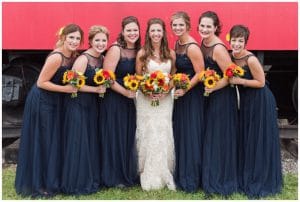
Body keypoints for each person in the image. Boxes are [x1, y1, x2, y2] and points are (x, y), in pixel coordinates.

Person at [15, 24, 83, 197]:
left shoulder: (72, 55)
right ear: (63, 38)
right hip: (42, 100)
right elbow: (41, 83)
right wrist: (66, 90)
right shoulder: (57, 57)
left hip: (54, 100)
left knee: (52, 140)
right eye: (71, 37)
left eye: (77, 38)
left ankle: (51, 179)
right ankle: (40, 184)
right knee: (44, 141)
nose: (74, 41)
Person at [228, 25, 283, 198]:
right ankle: (248, 173)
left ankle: (261, 177)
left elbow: (260, 82)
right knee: (249, 137)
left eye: (240, 41)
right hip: (246, 102)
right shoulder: (231, 57)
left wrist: (239, 81)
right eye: (234, 40)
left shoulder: (250, 59)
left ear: (245, 42)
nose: (236, 44)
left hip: (260, 100)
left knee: (259, 139)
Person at [61, 25, 109, 195]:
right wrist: (96, 90)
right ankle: (76, 182)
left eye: (104, 40)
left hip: (92, 105)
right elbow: (73, 86)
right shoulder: (83, 59)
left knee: (89, 140)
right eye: (97, 40)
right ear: (90, 41)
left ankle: (91, 177)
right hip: (78, 103)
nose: (101, 43)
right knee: (79, 141)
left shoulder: (102, 59)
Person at [198, 11, 238, 196]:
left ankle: (219, 177)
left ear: (215, 28)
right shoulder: (203, 43)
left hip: (221, 97)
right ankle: (208, 175)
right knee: (209, 136)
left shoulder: (218, 48)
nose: (204, 29)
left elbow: (230, 76)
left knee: (217, 137)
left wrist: (213, 88)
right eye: (202, 26)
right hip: (210, 94)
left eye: (208, 26)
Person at [98, 16, 140, 187]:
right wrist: (125, 92)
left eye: (135, 30)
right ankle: (113, 177)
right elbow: (107, 78)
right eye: (129, 30)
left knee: (127, 134)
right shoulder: (116, 49)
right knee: (115, 134)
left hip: (129, 100)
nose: (132, 33)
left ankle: (126, 173)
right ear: (123, 31)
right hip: (115, 98)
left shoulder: (138, 49)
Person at [135, 18, 176, 191]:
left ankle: (164, 171)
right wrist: (147, 91)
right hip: (147, 99)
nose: (156, 34)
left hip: (165, 99)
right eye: (153, 30)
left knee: (164, 130)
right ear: (148, 33)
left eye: (159, 30)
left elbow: (173, 76)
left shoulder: (171, 53)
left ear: (163, 32)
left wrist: (166, 91)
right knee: (148, 131)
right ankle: (147, 172)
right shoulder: (142, 53)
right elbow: (137, 77)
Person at [170, 11, 205, 192]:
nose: (177, 28)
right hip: (181, 95)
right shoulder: (178, 43)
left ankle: (191, 177)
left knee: (191, 133)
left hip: (191, 95)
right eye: (174, 25)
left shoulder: (192, 47)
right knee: (182, 132)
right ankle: (182, 173)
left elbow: (200, 73)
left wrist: (185, 89)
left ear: (188, 26)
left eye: (180, 25)